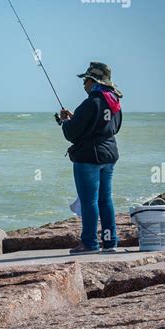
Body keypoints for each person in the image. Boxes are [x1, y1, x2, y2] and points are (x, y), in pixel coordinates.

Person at [59, 61, 123, 254]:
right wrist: (75, 118)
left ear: (94, 81)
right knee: (105, 200)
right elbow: (113, 127)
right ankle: (110, 242)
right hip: (109, 155)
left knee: (89, 201)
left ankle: (89, 243)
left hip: (89, 158)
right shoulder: (114, 102)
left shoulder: (90, 102)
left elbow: (71, 133)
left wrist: (65, 122)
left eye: (86, 80)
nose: (84, 84)